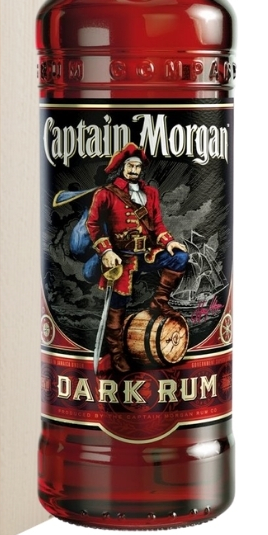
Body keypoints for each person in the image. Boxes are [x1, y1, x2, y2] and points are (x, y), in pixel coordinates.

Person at [86, 142, 189, 373]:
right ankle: (116, 353)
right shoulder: (105, 194)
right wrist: (106, 251)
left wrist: (168, 242)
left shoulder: (150, 193)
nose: (134, 170)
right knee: (117, 308)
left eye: (137, 166)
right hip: (120, 259)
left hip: (147, 254)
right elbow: (93, 225)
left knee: (180, 258)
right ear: (122, 167)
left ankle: (159, 302)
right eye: (130, 166)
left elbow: (157, 224)